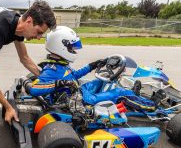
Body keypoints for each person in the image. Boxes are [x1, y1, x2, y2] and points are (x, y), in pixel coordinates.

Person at [27, 26, 166, 111]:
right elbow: (34, 89)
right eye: (72, 47)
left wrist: (92, 65)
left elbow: (73, 76)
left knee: (105, 81)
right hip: (80, 101)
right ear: (61, 46)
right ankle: (151, 104)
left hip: (79, 91)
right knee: (119, 92)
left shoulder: (59, 64)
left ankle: (132, 95)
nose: (74, 50)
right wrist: (59, 83)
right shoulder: (51, 70)